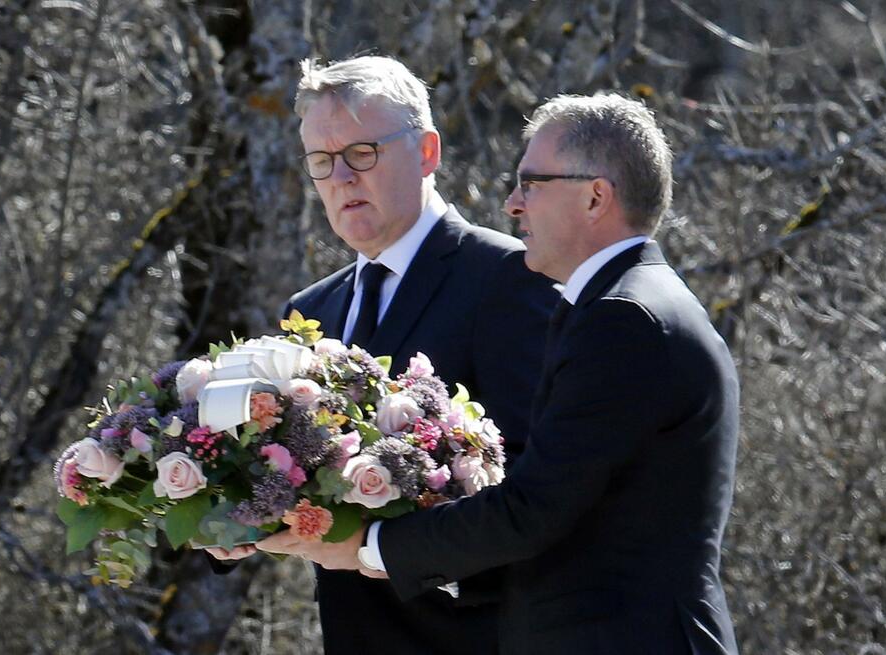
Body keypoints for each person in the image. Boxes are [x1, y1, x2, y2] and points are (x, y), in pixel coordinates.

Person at [262, 93, 741, 654]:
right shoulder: (617, 305)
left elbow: (533, 507)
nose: (513, 204)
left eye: (532, 184)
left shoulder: (624, 318)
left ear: (595, 197)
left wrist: (371, 545)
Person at [210, 56, 557, 655]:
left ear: (427, 152)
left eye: (362, 153)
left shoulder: (507, 277)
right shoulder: (312, 308)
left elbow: (535, 486)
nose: (341, 177)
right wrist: (232, 517)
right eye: (322, 161)